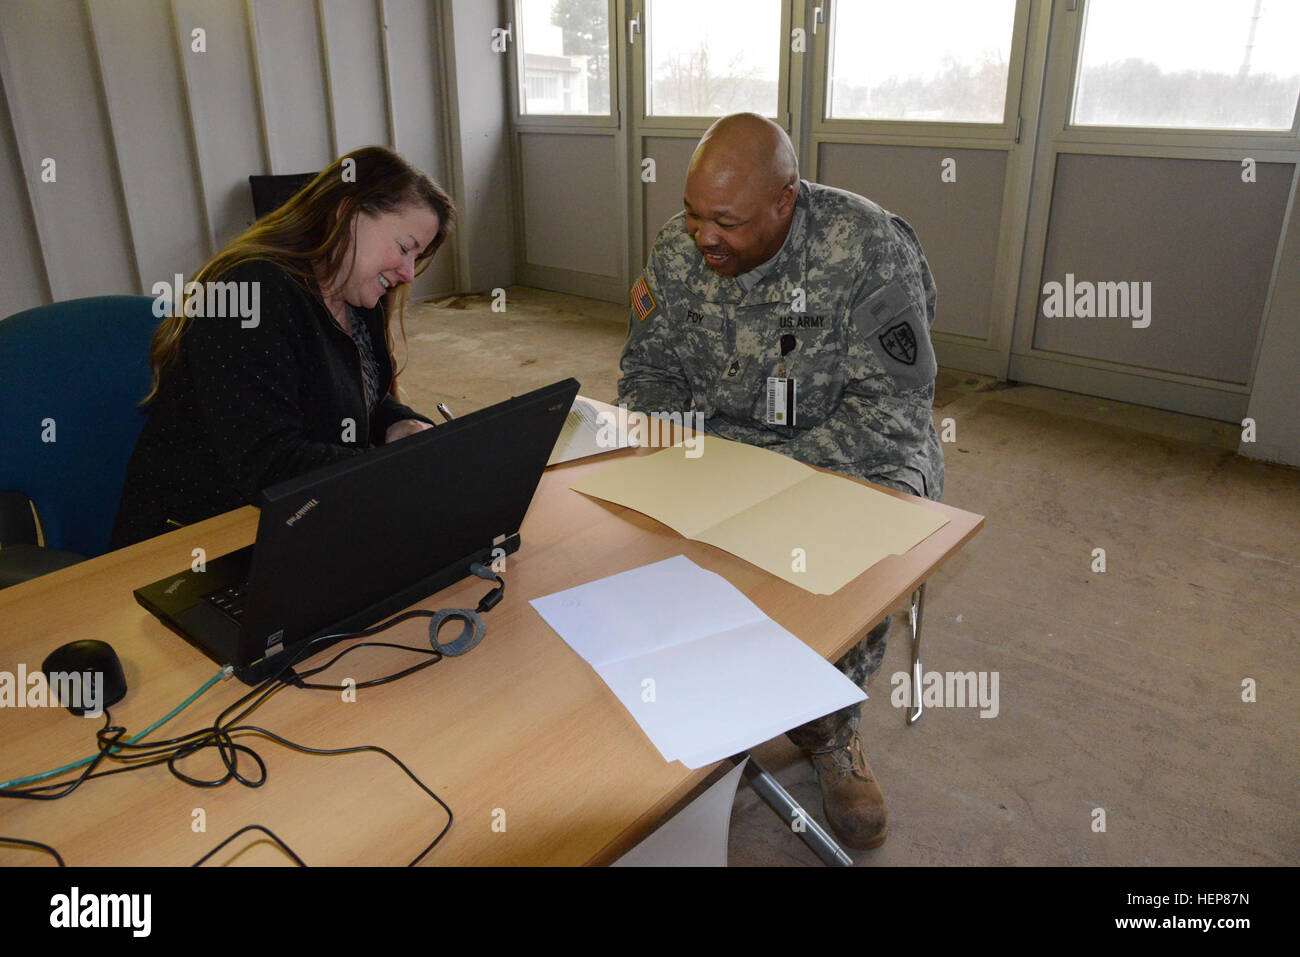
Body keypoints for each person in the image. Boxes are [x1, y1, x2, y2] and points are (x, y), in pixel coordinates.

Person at [617, 113, 944, 850]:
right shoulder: (678, 249)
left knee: (862, 537)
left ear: (785, 202)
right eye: (696, 213)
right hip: (723, 453)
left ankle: (832, 728)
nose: (704, 236)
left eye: (725, 221)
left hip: (851, 455)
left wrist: (767, 486)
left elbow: (891, 415)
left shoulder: (865, 248)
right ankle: (705, 702)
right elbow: (648, 374)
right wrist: (688, 468)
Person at [111, 146, 453, 549]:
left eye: (417, 257)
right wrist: (392, 471)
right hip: (195, 542)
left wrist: (401, 426)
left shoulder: (356, 297)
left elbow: (358, 397)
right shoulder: (249, 295)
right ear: (346, 215)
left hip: (296, 520)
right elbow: (270, 464)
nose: (408, 272)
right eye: (404, 247)